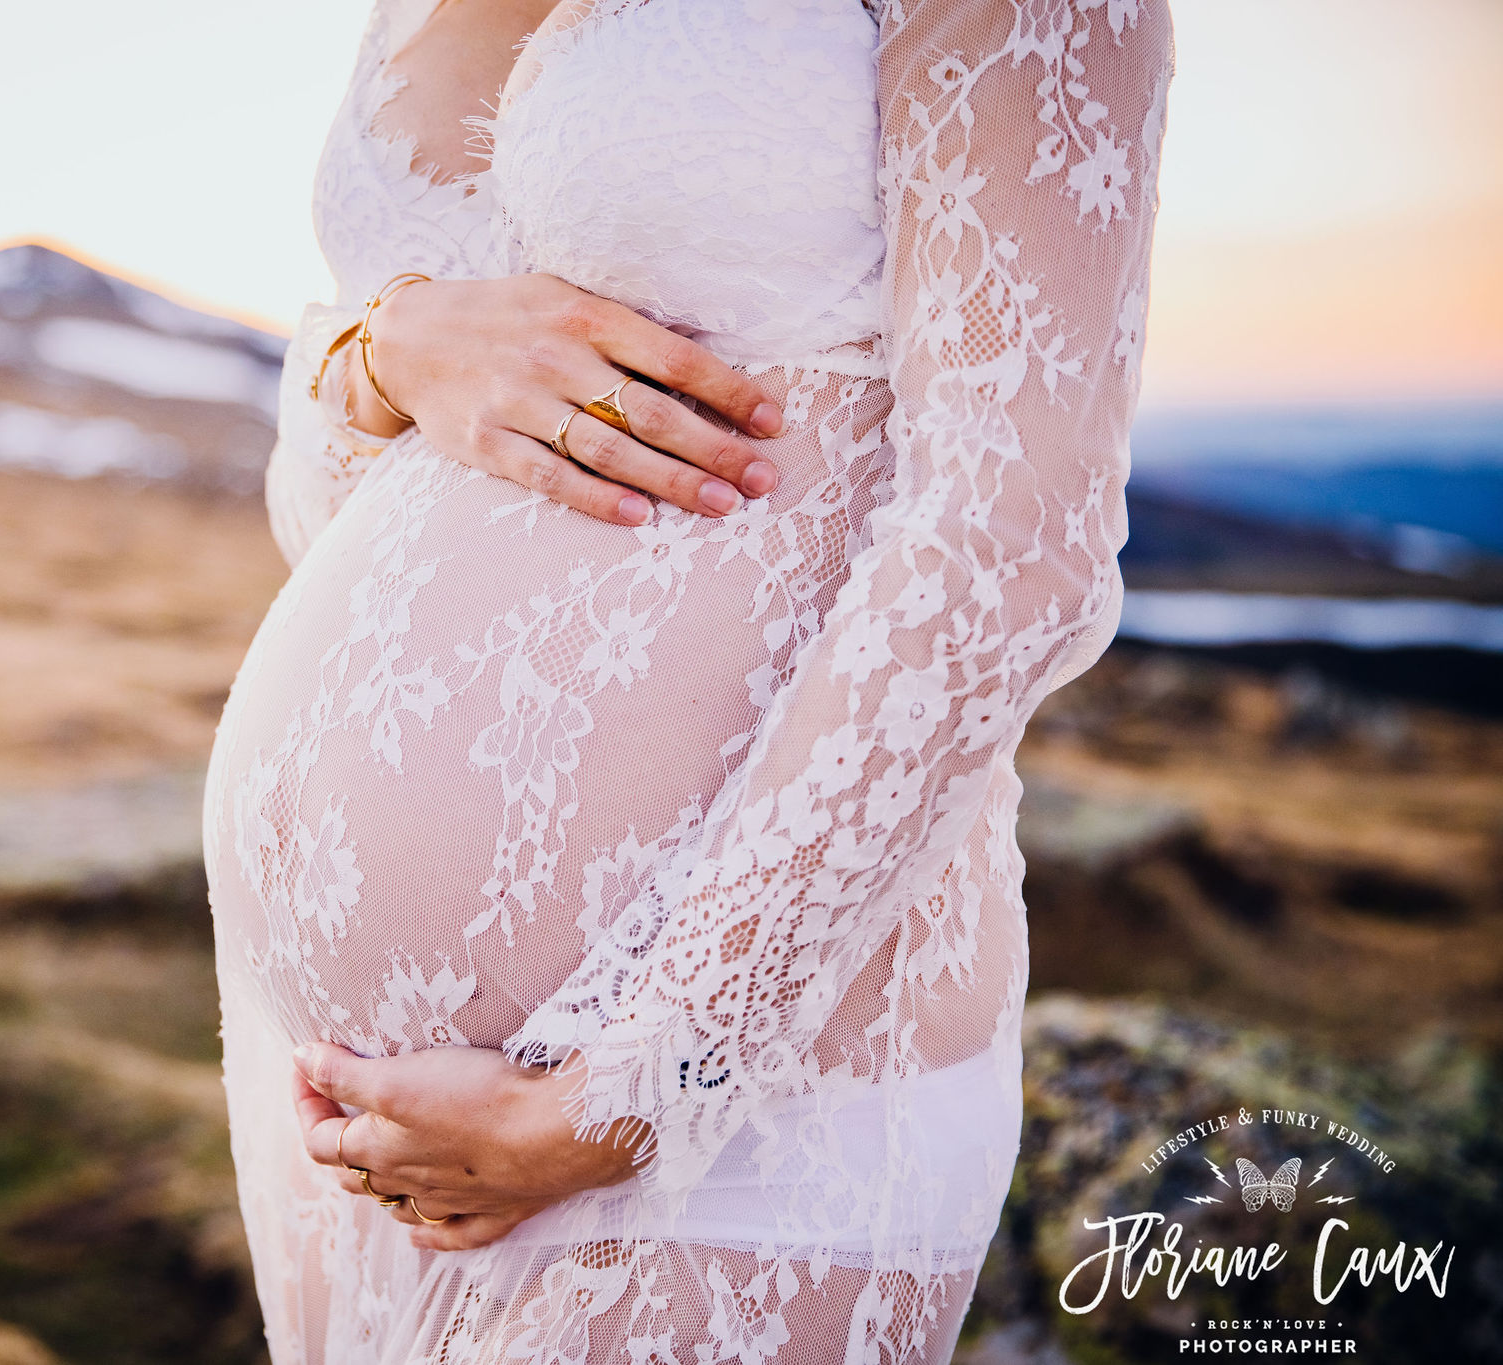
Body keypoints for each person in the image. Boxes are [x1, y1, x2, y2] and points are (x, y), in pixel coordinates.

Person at [201, 0, 1172, 1359]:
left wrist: (643, 1084)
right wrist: (383, 353)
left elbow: (1014, 543)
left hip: (740, 1118)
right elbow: (336, 516)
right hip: (346, 1124)